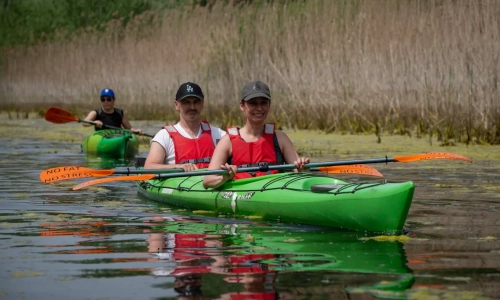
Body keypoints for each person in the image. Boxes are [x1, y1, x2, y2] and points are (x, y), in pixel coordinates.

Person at [203, 81, 310, 189]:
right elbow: (207, 181)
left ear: (269, 104)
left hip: (274, 192)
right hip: (240, 195)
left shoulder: (280, 138)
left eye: (263, 103)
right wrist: (224, 178)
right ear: (242, 106)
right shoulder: (227, 141)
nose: (259, 108)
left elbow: (298, 171)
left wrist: (303, 170)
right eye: (253, 103)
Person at [144, 82, 227, 172]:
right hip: (178, 184)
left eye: (196, 102)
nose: (192, 107)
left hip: (211, 183)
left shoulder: (219, 134)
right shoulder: (164, 136)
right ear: (177, 105)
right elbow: (149, 166)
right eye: (186, 102)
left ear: (202, 104)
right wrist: (178, 167)